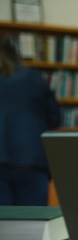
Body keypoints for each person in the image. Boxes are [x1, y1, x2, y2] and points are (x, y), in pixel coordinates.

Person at [0, 35, 61, 206]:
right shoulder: (32, 77)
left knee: (2, 227)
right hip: (32, 160)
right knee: (32, 222)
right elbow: (55, 117)